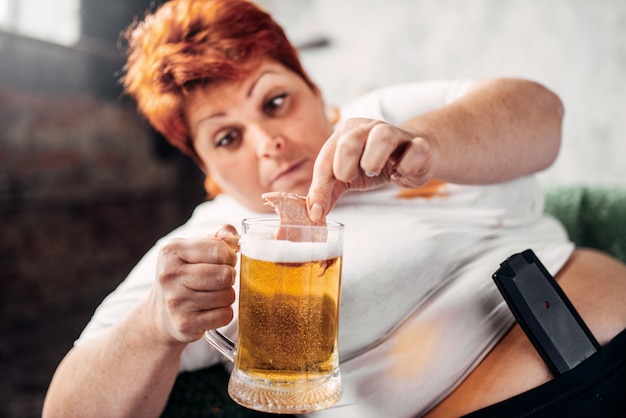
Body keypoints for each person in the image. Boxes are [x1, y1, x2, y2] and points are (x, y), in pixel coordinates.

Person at [43, 0, 626, 417]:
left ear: (317, 93)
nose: (266, 141)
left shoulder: (385, 118)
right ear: (206, 171)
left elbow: (542, 113)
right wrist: (153, 328)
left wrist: (427, 145)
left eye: (275, 101)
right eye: (226, 138)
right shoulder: (201, 248)